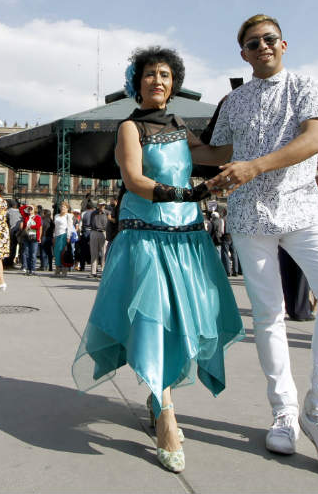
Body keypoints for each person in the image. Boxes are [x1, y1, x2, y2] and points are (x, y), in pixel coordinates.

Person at [200, 14, 318, 481]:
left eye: (269, 39)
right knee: (269, 315)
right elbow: (220, 153)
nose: (262, 47)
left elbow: (313, 139)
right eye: (253, 43)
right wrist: (171, 142)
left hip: (302, 208)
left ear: (284, 44)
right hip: (249, 216)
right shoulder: (234, 100)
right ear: (243, 54)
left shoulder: (307, 84)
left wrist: (255, 166)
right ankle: (285, 412)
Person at [73, 46, 244, 475]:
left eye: (165, 75)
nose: (158, 81)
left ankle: (157, 395)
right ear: (138, 81)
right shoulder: (129, 127)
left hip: (186, 236)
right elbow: (134, 179)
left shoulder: (179, 125)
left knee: (185, 318)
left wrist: (239, 115)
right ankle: (166, 415)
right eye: (150, 74)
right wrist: (187, 194)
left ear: (174, 84)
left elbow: (213, 156)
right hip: (146, 234)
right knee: (154, 318)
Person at [52, 202, 72, 278]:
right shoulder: (56, 216)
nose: (62, 208)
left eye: (64, 207)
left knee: (63, 253)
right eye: (62, 206)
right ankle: (57, 268)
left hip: (64, 235)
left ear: (67, 208)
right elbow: (55, 227)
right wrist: (54, 236)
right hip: (57, 235)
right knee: (56, 252)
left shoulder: (68, 216)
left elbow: (69, 227)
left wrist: (68, 237)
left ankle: (64, 270)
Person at [89, 204, 108, 277]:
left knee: (104, 252)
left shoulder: (107, 213)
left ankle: (103, 271)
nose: (101, 207)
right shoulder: (93, 213)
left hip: (103, 232)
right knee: (93, 252)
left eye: (103, 205)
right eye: (100, 205)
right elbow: (91, 223)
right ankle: (93, 272)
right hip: (94, 231)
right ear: (97, 205)